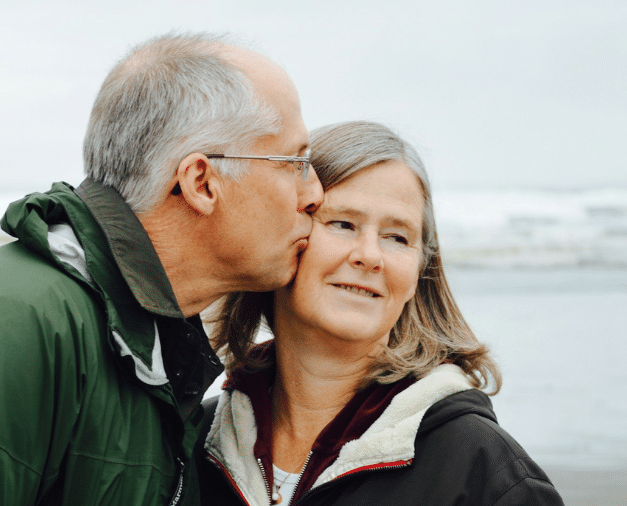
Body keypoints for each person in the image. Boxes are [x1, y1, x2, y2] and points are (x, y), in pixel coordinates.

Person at [0, 33, 323, 505]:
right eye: (294, 163)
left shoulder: (146, 342)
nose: (314, 194)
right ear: (201, 182)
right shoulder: (3, 323)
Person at [198, 121, 564, 505]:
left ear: (419, 273)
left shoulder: (485, 470)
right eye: (343, 224)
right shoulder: (195, 443)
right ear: (285, 236)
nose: (370, 256)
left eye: (397, 237)